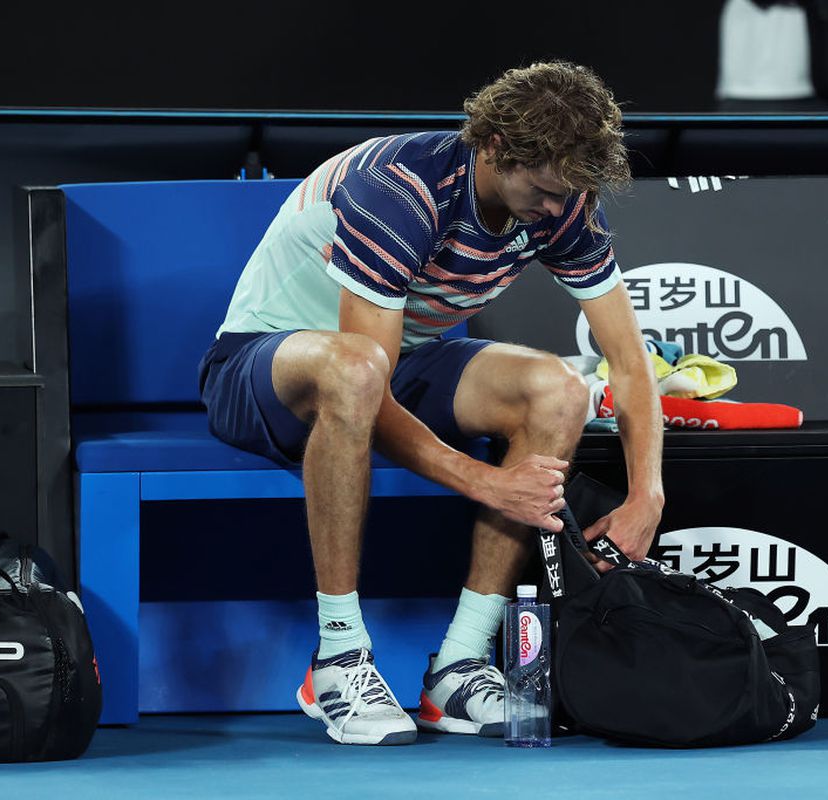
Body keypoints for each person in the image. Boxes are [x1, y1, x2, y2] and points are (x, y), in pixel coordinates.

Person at [198, 62, 664, 746]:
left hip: (390, 364)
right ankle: (337, 655)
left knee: (558, 391)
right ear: (497, 147)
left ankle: (459, 664)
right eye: (541, 190)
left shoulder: (562, 199)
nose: (554, 208)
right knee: (355, 368)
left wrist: (647, 494)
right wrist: (489, 482)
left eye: (569, 193)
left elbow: (628, 361)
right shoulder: (401, 191)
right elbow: (368, 381)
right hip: (261, 370)